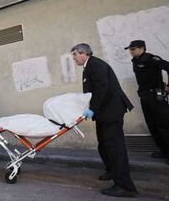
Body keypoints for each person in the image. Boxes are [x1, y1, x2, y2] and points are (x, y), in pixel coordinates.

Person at [71, 43, 137, 197]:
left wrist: (92, 108)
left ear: (83, 53)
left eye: (74, 54)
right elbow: (92, 91)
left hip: (111, 112)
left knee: (114, 147)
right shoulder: (89, 66)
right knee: (104, 145)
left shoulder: (95, 65)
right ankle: (113, 172)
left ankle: (125, 186)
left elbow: (102, 88)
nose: (73, 58)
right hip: (104, 112)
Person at [125, 40, 169, 164]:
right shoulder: (136, 61)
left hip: (156, 96)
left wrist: (167, 86)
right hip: (145, 96)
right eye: (130, 49)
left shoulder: (151, 59)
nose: (131, 51)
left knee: (164, 124)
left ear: (142, 48)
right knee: (152, 124)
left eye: (133, 49)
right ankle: (163, 150)